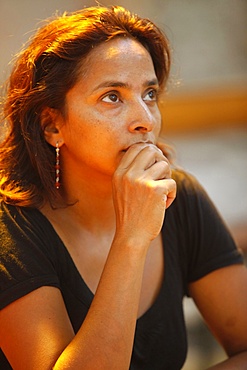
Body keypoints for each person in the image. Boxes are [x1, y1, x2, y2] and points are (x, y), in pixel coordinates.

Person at [0, 5, 246, 369]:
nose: (145, 120)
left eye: (149, 94)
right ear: (53, 126)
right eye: (112, 97)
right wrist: (132, 237)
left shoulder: (179, 196)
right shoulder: (11, 230)